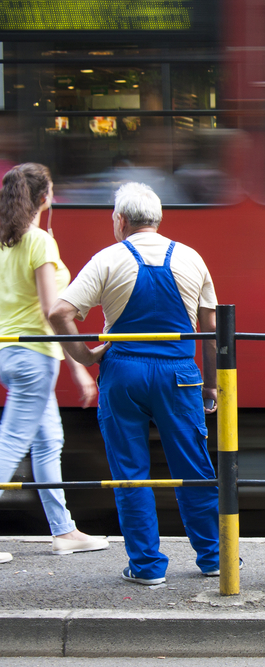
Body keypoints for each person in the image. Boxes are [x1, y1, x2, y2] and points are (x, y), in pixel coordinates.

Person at [49, 182, 220, 586]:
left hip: (122, 373)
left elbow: (59, 312)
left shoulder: (107, 259)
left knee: (131, 471)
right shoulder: (191, 259)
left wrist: (87, 355)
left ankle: (146, 567)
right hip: (179, 375)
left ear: (121, 220)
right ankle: (213, 558)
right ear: (158, 220)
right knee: (194, 468)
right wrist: (210, 387)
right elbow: (212, 331)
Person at [0, 163, 110, 564]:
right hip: (34, 358)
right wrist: (82, 362)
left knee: (48, 444)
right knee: (10, 443)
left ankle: (64, 531)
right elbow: (52, 310)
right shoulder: (39, 243)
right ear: (45, 197)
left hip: (8, 351)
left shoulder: (6, 240)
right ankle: (63, 530)